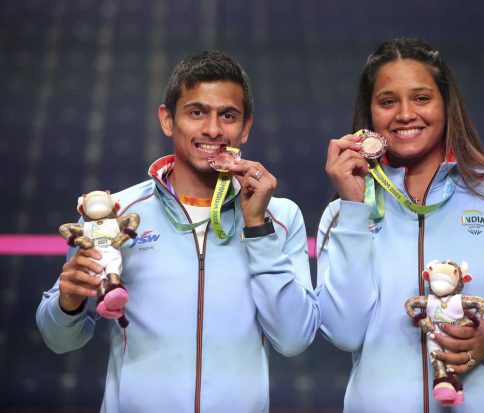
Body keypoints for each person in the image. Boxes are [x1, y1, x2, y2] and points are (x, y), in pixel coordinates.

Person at [316, 37, 484, 413]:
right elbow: (345, 332)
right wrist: (352, 208)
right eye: (387, 101)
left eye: (421, 98)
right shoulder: (345, 211)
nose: (405, 114)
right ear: (370, 114)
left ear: (447, 104)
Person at [36, 50, 320, 412]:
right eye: (197, 112)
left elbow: (294, 339)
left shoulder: (279, 217)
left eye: (228, 115)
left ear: (246, 128)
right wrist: (68, 303)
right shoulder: (114, 213)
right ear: (167, 120)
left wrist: (256, 226)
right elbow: (59, 340)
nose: (213, 130)